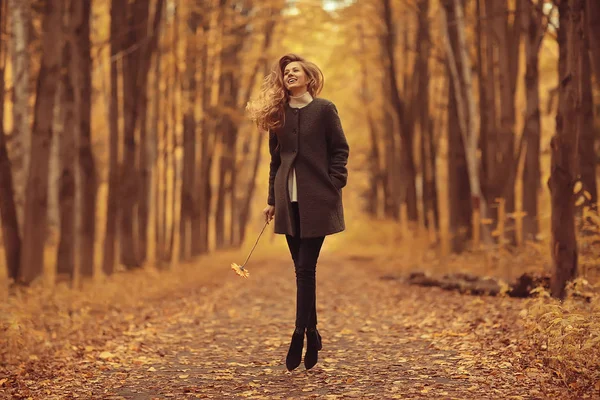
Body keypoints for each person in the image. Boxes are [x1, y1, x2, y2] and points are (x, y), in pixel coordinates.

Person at [246, 53, 349, 371]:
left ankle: (298, 333)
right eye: (286, 72)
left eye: (295, 70)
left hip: (318, 201)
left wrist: (334, 183)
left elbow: (340, 149)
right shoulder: (278, 114)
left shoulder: (325, 109)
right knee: (302, 272)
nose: (289, 74)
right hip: (287, 203)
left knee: (306, 270)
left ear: (309, 76)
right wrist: (272, 200)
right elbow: (275, 162)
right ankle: (313, 332)